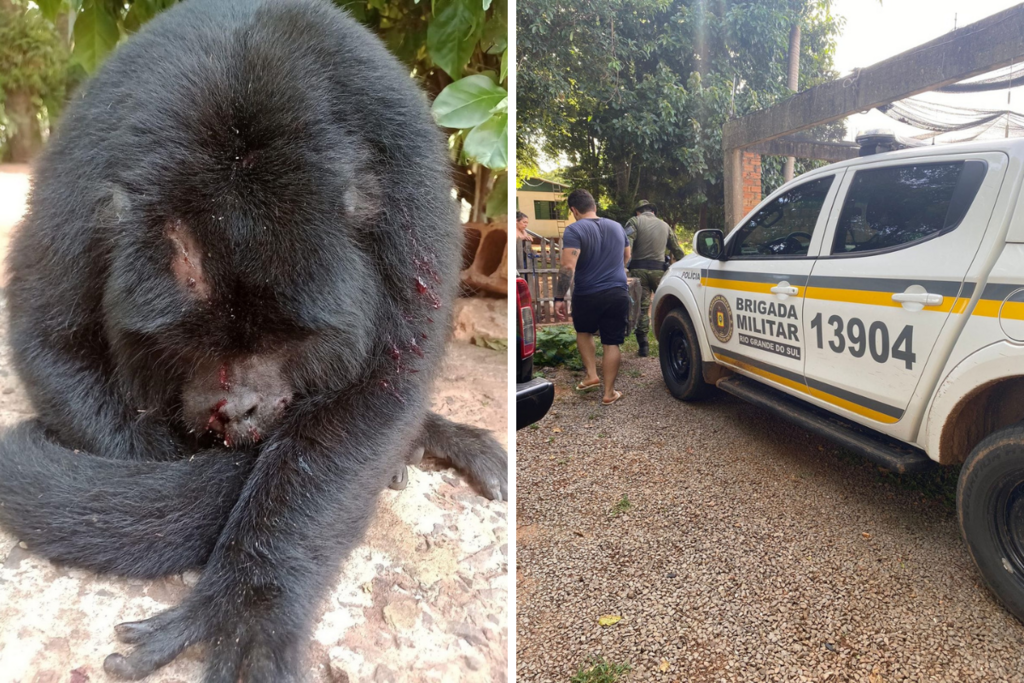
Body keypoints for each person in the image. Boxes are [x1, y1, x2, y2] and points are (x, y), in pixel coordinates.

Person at [554, 189, 630, 406]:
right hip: (617, 292)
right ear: (594, 206)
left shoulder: (574, 230)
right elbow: (627, 256)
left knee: (584, 332)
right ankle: (609, 393)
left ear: (574, 210)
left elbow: (568, 266)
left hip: (587, 293)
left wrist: (559, 297)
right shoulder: (617, 226)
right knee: (611, 342)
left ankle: (591, 375)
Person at [623, 200, 684, 356]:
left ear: (638, 212)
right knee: (669, 304)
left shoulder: (634, 221)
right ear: (653, 212)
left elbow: (626, 245)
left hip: (639, 271)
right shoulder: (665, 225)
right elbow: (677, 249)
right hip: (659, 272)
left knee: (642, 308)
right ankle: (673, 339)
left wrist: (623, 265)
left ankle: (643, 346)